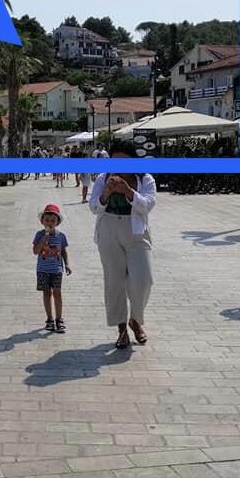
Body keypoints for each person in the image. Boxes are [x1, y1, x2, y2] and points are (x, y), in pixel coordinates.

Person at [89, 140, 156, 349]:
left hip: (136, 231)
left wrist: (129, 192)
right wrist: (106, 194)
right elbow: (94, 207)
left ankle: (135, 320)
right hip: (109, 228)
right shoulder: (103, 178)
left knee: (144, 280)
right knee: (114, 281)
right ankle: (121, 329)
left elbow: (148, 205)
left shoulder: (144, 178)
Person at [32, 203, 71, 333]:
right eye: (47, 220)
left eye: (53, 221)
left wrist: (67, 264)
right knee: (46, 293)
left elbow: (63, 251)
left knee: (57, 293)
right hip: (43, 269)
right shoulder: (39, 235)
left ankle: (59, 319)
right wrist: (44, 239)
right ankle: (49, 319)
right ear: (42, 221)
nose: (50, 223)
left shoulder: (61, 236)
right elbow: (35, 251)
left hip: (56, 269)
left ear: (57, 222)